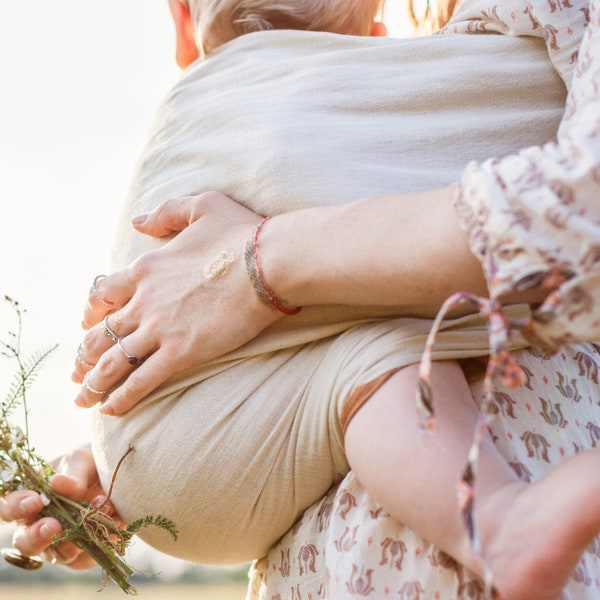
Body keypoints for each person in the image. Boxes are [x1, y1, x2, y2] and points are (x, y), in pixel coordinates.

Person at [3, 1, 600, 599]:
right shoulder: (371, 98)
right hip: (221, 451)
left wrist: (146, 440)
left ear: (182, 24)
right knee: (379, 351)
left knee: (369, 345)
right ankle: (499, 527)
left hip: (170, 464)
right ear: (374, 29)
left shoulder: (193, 115)